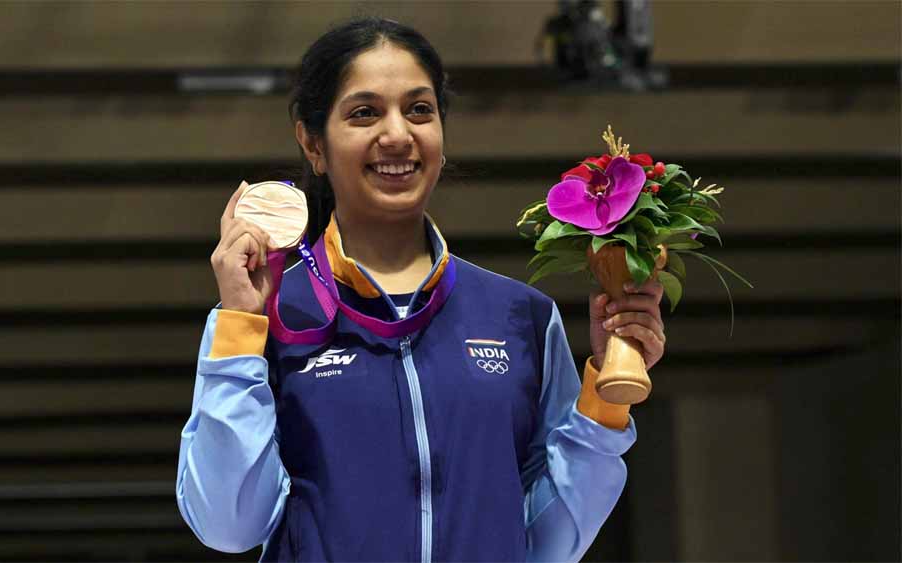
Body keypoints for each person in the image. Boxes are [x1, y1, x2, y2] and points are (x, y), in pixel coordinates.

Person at [176, 17, 666, 563]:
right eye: (364, 113)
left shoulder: (521, 316)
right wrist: (241, 325)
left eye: (419, 110)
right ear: (313, 144)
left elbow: (548, 544)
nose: (397, 135)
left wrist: (607, 398)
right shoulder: (267, 317)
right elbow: (229, 525)